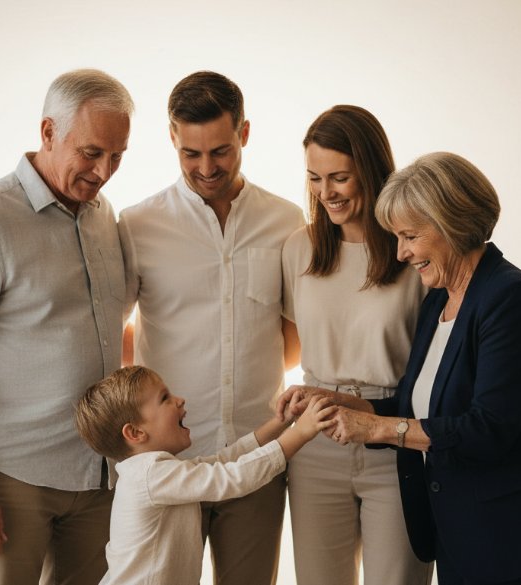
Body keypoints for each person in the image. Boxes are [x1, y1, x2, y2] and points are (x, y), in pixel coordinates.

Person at [288, 152, 521, 584]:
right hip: (463, 530)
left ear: (451, 224)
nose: (401, 252)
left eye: (410, 235)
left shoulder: (510, 298)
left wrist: (376, 430)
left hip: (516, 534)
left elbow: (487, 430)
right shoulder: (439, 300)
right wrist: (342, 402)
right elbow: (421, 404)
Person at [0, 69, 133, 585]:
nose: (103, 170)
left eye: (117, 155)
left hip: (98, 475)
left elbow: (108, 331)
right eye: (90, 152)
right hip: (13, 480)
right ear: (47, 132)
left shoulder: (104, 216)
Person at [118, 71, 304, 585]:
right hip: (168, 465)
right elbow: (113, 333)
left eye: (220, 151)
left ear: (244, 133)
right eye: (190, 154)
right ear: (172, 138)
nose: (206, 168)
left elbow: (294, 339)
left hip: (257, 454)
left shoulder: (287, 221)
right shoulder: (137, 225)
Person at [280, 105, 434, 585]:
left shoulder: (414, 251)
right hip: (316, 441)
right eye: (314, 178)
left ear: (369, 170)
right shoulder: (298, 250)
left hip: (394, 440)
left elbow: (455, 337)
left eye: (339, 177)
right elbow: (286, 345)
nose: (326, 192)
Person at [74, 366, 335, 585]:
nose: (179, 400)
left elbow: (224, 460)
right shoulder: (151, 475)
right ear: (135, 433)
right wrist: (300, 433)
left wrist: (282, 422)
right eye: (164, 398)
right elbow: (232, 477)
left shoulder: (155, 471)